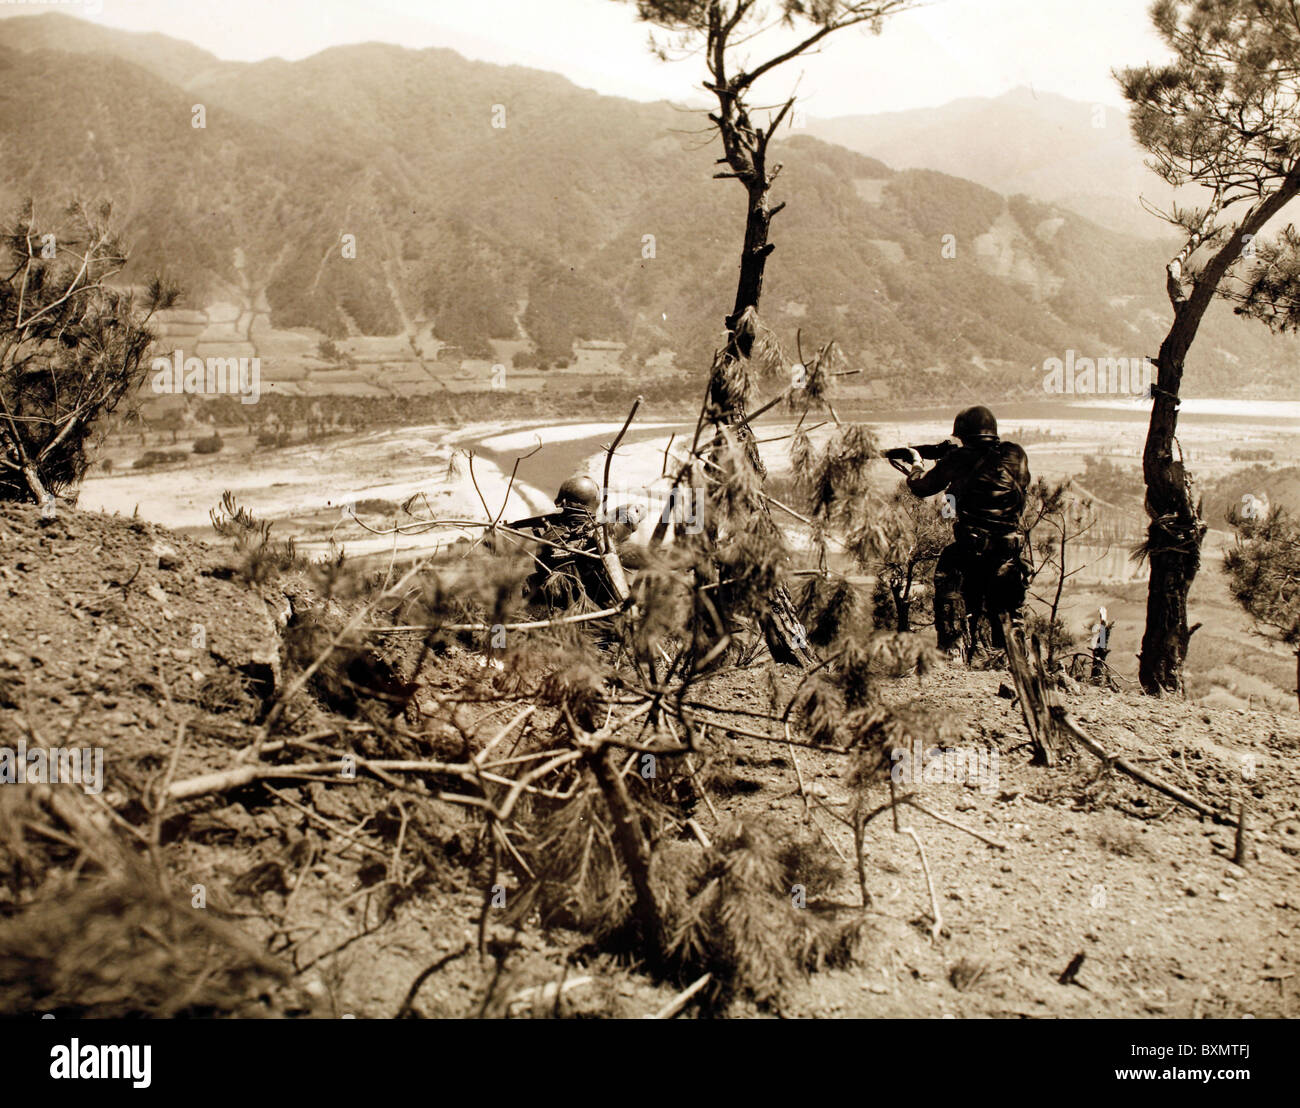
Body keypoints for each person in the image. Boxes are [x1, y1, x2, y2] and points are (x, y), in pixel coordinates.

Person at [901, 405, 1031, 661]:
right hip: (1010, 546)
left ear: (965, 435)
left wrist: (917, 463)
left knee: (947, 579)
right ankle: (1014, 660)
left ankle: (951, 648)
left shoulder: (959, 460)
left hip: (973, 546)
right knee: (1008, 605)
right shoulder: (1016, 454)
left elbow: (921, 487)